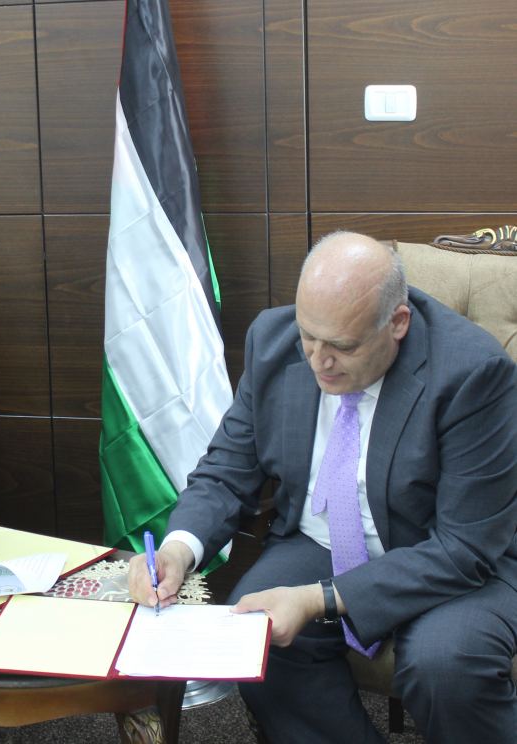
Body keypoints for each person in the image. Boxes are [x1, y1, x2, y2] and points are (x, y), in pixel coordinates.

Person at [128, 231, 517, 743]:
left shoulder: (472, 372)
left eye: (342, 346)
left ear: (398, 323)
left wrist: (318, 599)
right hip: (323, 540)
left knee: (445, 664)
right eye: (309, 336)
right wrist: (178, 551)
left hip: (452, 556)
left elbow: (463, 549)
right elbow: (227, 468)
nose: (318, 361)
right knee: (259, 630)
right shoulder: (273, 341)